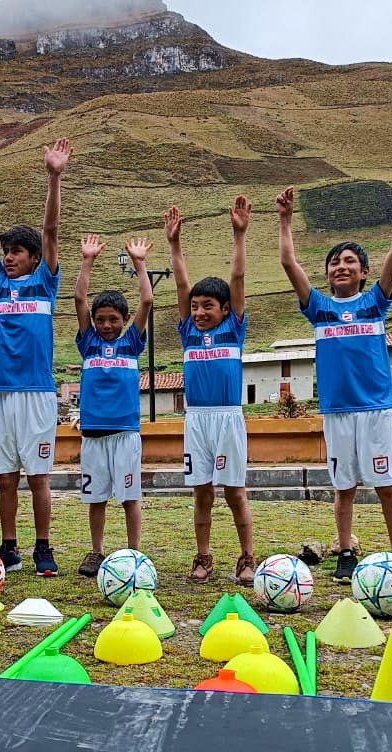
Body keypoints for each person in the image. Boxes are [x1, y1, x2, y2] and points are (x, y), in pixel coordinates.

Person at [276, 169, 392, 582]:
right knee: (344, 488)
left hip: (375, 408)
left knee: (386, 483)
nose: (341, 266)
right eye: (335, 262)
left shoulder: (375, 303)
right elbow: (288, 261)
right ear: (326, 274)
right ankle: (345, 550)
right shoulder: (319, 308)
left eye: (350, 262)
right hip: (337, 411)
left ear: (364, 272)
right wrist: (285, 219)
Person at [0, 137, 73, 576]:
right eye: (6, 252)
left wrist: (54, 177)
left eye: (17, 252)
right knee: (6, 476)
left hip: (36, 394)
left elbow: (51, 231)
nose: (8, 257)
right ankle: (9, 547)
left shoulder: (44, 284)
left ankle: (43, 547)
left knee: (38, 476)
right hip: (0, 395)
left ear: (34, 258)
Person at [165, 200, 256, 585]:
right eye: (196, 307)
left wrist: (239, 234)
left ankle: (248, 558)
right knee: (202, 494)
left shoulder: (233, 330)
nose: (200, 312)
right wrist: (174, 244)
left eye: (208, 307)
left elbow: (236, 278)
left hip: (228, 418)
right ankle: (203, 557)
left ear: (224, 310)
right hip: (196, 421)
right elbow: (182, 284)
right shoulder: (188, 333)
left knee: (235, 493)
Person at [72, 234, 153, 578]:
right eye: (100, 319)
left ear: (123, 321)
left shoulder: (131, 344)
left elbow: (146, 300)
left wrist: (139, 262)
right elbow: (78, 297)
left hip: (125, 435)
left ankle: (134, 554)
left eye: (113, 320)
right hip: (93, 437)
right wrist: (88, 260)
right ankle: (96, 552)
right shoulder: (88, 343)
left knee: (130, 498)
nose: (106, 325)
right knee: (96, 499)